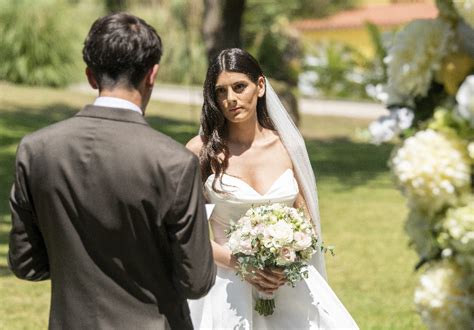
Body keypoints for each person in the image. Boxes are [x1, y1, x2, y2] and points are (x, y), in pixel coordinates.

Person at [8, 13, 216, 330]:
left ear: (91, 76)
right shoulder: (174, 162)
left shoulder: (36, 150)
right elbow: (197, 280)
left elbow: (26, 263)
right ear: (153, 74)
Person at [186, 48, 358, 329]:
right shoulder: (201, 151)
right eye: (221, 92)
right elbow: (187, 234)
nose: (231, 99)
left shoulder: (288, 146)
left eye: (240, 87)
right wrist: (240, 263)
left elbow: (307, 220)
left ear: (261, 86)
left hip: (287, 282)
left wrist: (287, 258)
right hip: (226, 288)